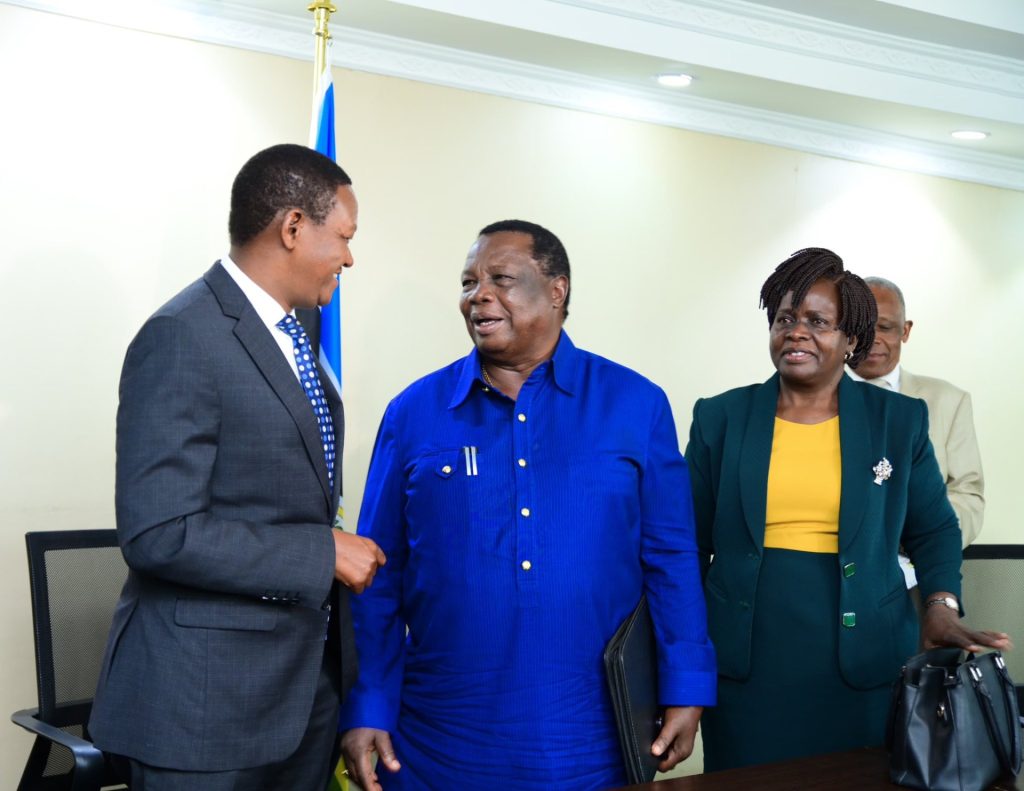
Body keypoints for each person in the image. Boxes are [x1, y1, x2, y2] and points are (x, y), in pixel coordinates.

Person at [338, 220, 716, 790]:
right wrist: (368, 704)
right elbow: (378, 572)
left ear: (557, 290)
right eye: (468, 282)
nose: (478, 295)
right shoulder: (414, 411)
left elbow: (671, 558)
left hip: (589, 740)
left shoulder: (636, 404)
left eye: (501, 279)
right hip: (437, 739)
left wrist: (686, 687)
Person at [89, 143, 386, 790]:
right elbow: (158, 532)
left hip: (300, 698)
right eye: (343, 236)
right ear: (292, 228)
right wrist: (321, 553)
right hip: (203, 710)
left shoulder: (295, 331)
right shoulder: (182, 335)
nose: (349, 257)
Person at [685, 247, 1010, 772]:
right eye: (785, 319)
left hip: (864, 658)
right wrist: (679, 658)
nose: (796, 332)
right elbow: (688, 545)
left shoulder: (897, 421)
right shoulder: (720, 417)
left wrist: (941, 603)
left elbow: (933, 530)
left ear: (850, 340)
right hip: (745, 659)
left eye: (817, 321)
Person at [849, 276, 984, 547]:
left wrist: (929, 540)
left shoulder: (949, 401)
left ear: (905, 331)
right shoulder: (810, 399)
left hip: (919, 572)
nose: (872, 339)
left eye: (885, 327)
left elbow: (967, 494)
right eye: (862, 327)